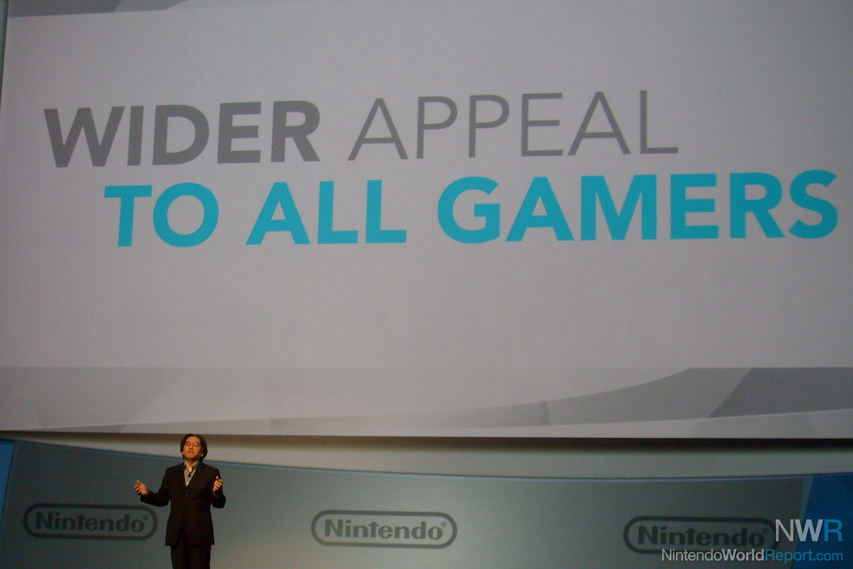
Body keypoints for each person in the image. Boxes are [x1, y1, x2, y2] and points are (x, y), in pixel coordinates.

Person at [134, 434, 226, 569]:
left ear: (202, 453)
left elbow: (220, 503)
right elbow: (162, 499)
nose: (191, 447)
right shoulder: (171, 473)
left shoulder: (211, 473)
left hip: (199, 535)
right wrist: (147, 493)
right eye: (187, 444)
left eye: (196, 445)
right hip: (177, 535)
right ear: (182, 451)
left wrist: (216, 492)